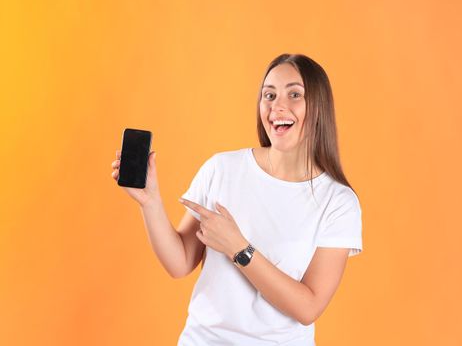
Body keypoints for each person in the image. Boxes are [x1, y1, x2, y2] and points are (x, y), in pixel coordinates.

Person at [111, 53, 363, 345]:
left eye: (294, 94)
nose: (277, 106)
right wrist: (150, 202)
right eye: (269, 95)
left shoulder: (338, 202)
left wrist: (238, 248)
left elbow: (308, 308)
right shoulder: (222, 168)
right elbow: (179, 262)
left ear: (320, 107)